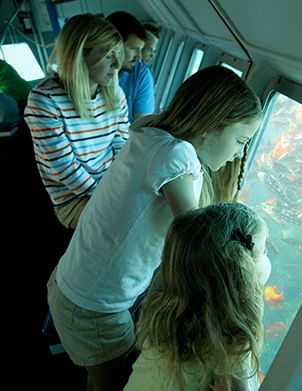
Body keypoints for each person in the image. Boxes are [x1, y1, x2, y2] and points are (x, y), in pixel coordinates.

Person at [47, 65, 262, 391]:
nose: (238, 154)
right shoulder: (176, 157)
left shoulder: (150, 135)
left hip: (73, 284)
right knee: (115, 382)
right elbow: (198, 239)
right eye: (240, 140)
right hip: (94, 310)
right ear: (212, 126)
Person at [124, 202, 270, 390]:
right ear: (241, 270)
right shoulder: (232, 339)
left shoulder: (164, 311)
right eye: (263, 250)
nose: (266, 257)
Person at [23, 14, 129, 229]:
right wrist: (108, 199)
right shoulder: (44, 100)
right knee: (125, 228)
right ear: (81, 54)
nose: (118, 64)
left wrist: (122, 186)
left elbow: (121, 144)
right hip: (73, 198)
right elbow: (65, 166)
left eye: (117, 54)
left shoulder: (115, 94)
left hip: (111, 186)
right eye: (109, 55)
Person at [106, 11, 155, 122]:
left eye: (141, 50)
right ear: (113, 44)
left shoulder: (141, 74)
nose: (139, 57)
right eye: (133, 49)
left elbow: (141, 125)